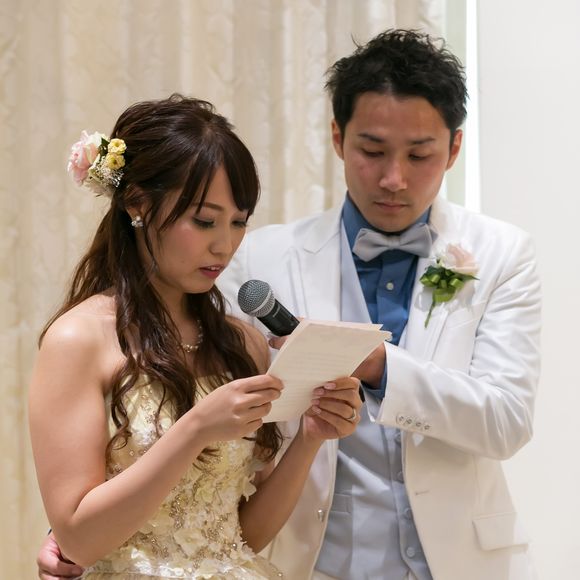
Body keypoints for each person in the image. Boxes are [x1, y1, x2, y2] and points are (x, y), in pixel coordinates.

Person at [38, 29, 542, 579]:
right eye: (372, 150)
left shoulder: (503, 254)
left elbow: (507, 420)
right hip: (315, 560)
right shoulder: (259, 258)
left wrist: (375, 368)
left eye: (419, 154)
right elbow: (149, 392)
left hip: (458, 561)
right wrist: (75, 532)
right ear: (337, 137)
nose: (393, 178)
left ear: (454, 149)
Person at [30, 94, 361, 580]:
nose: (224, 245)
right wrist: (195, 429)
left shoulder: (242, 344)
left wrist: (310, 438)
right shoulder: (78, 339)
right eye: (204, 221)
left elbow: (242, 537)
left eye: (239, 221)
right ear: (137, 204)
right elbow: (78, 539)